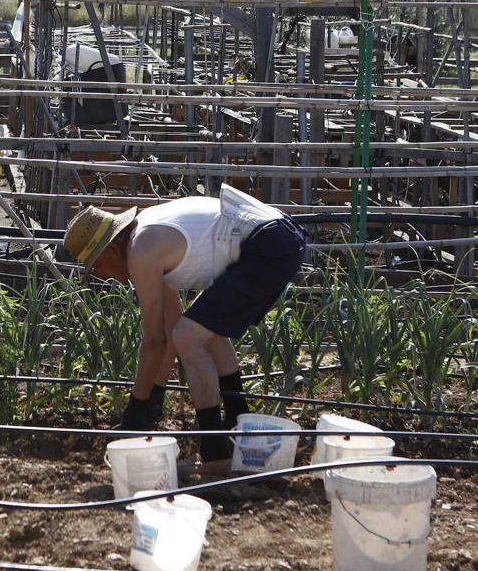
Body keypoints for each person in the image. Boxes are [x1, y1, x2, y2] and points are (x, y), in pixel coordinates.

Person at [63, 184, 306, 471]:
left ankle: (215, 451)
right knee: (201, 330)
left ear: (112, 248)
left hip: (268, 245)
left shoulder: (141, 250)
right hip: (278, 237)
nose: (102, 275)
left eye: (98, 265)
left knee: (190, 337)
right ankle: (236, 423)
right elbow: (169, 329)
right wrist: (156, 394)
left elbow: (154, 341)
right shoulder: (148, 235)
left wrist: (135, 413)